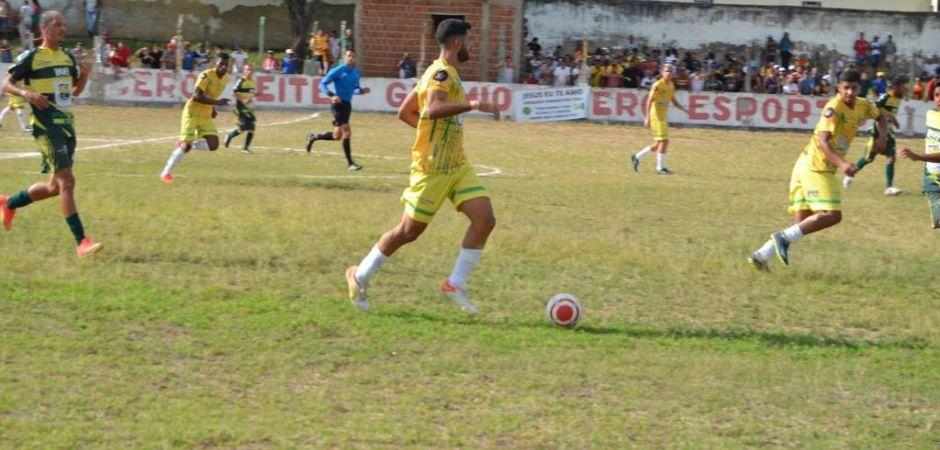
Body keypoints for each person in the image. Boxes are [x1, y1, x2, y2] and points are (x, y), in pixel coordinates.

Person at [345, 18, 499, 314]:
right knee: (408, 231)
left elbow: (406, 112)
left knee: (485, 219)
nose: (471, 46)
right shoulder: (440, 73)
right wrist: (474, 104)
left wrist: (432, 136)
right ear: (456, 43)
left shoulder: (443, 72)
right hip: (432, 170)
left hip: (456, 166)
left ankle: (455, 283)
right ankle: (360, 275)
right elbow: (431, 109)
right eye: (468, 40)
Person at [748, 70, 886, 271]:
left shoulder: (863, 105)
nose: (849, 92)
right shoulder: (833, 108)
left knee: (802, 223)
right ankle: (780, 239)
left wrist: (881, 138)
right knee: (832, 215)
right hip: (816, 167)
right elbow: (822, 142)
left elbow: (880, 116)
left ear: (859, 88)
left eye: (853, 88)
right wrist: (842, 164)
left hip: (805, 165)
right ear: (838, 88)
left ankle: (761, 254)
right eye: (845, 87)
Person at [0, 10, 101, 257]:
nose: (63, 29)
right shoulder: (32, 57)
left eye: (64, 25)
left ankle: (9, 203)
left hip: (67, 126)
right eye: (58, 25)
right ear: (44, 29)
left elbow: (74, 92)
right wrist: (27, 94)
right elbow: (6, 84)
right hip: (46, 128)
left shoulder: (67, 58)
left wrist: (85, 76)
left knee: (55, 187)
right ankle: (82, 242)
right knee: (68, 181)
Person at [159, 53, 231, 183]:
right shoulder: (206, 75)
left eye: (226, 64)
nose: (224, 67)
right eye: (221, 64)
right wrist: (218, 103)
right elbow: (197, 96)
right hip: (192, 113)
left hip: (206, 115)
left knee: (213, 145)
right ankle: (165, 173)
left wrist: (213, 108)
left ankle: (186, 144)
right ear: (215, 64)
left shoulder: (226, 79)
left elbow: (211, 95)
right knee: (185, 148)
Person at [306, 49, 370, 170]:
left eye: (353, 56)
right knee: (347, 132)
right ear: (344, 58)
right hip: (337, 104)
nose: (350, 58)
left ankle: (313, 137)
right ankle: (350, 163)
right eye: (348, 56)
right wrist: (332, 95)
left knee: (337, 136)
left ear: (356, 58)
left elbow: (354, 89)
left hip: (347, 105)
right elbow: (322, 84)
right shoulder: (337, 70)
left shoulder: (356, 73)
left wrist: (362, 91)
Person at [844, 75, 906, 195]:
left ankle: (889, 188)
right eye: (902, 86)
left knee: (891, 158)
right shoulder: (886, 97)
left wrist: (894, 121)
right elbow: (874, 109)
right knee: (869, 158)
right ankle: (849, 174)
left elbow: (890, 114)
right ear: (896, 86)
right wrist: (889, 116)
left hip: (889, 132)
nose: (904, 89)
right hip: (878, 130)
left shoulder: (898, 98)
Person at [630, 64, 688, 175]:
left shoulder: (671, 85)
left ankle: (636, 157)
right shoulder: (657, 85)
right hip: (656, 116)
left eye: (670, 71)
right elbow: (649, 101)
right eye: (666, 71)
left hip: (663, 116)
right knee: (664, 141)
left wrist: (683, 109)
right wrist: (647, 117)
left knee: (658, 143)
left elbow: (673, 101)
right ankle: (660, 168)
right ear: (662, 73)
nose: (669, 73)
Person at [899, 84, 940, 229]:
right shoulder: (931, 114)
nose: (939, 99)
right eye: (936, 95)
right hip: (932, 178)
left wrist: (917, 157)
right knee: (938, 220)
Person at [224, 63, 256, 154]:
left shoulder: (253, 83)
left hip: (249, 109)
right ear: (244, 71)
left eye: (251, 70)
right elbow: (234, 93)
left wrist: (251, 99)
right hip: (241, 107)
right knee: (244, 128)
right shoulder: (241, 81)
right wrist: (243, 100)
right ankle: (230, 137)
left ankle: (245, 148)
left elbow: (251, 94)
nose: (249, 71)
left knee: (251, 128)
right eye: (247, 70)